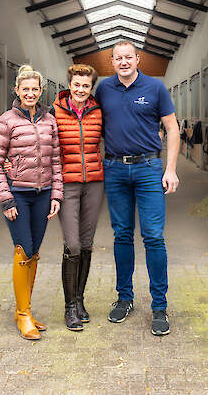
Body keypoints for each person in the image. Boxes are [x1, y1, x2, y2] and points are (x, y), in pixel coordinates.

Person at [94, 40, 180, 336]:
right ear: (112, 61)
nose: (124, 62)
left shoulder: (155, 88)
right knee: (121, 235)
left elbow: (172, 128)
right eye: (118, 58)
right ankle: (124, 298)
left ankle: (159, 305)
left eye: (128, 57)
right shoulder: (103, 89)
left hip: (148, 169)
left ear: (138, 59)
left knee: (154, 236)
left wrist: (170, 169)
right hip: (115, 168)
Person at [0, 64, 63, 340]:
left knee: (35, 252)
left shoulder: (49, 120)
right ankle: (22, 316)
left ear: (41, 91)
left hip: (43, 194)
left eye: (35, 89)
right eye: (25, 89)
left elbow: (55, 160)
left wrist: (57, 194)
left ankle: (26, 309)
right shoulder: (6, 121)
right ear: (17, 90)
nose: (30, 93)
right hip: (18, 193)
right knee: (23, 250)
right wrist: (6, 200)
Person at [50, 64, 104, 331]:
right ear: (69, 85)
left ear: (91, 88)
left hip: (94, 183)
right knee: (71, 245)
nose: (81, 90)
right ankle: (69, 307)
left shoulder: (98, 111)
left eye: (86, 86)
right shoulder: (54, 111)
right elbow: (42, 143)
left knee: (86, 244)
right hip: (67, 185)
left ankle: (80, 301)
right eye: (77, 85)